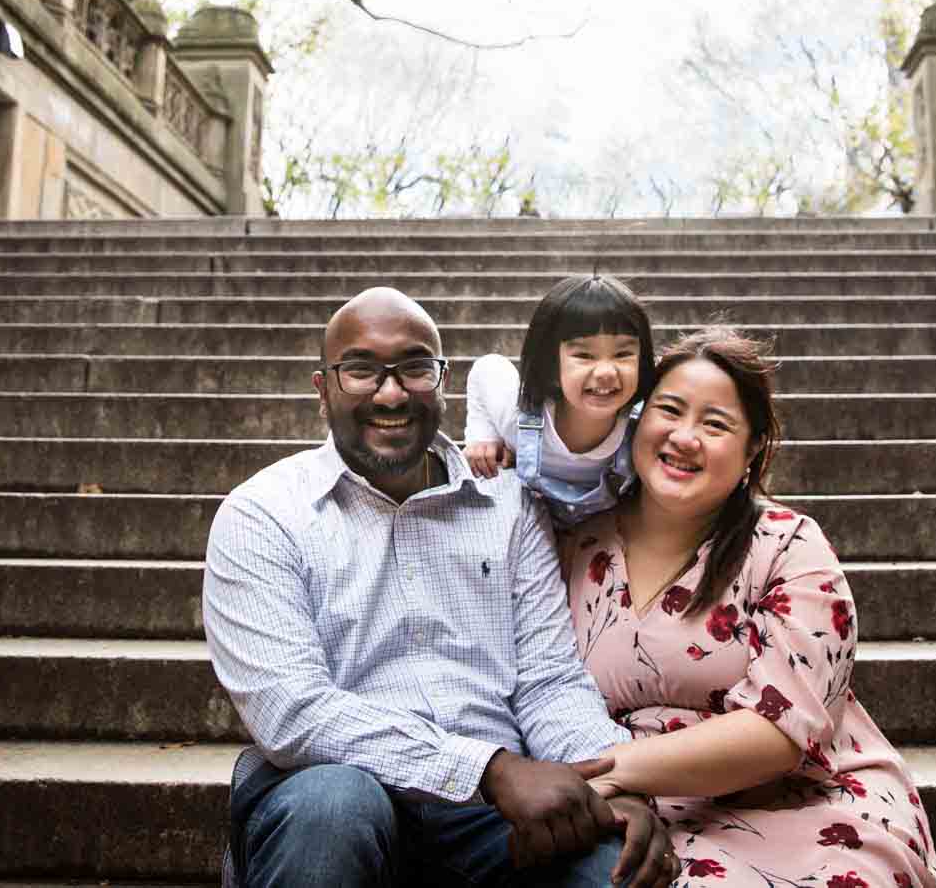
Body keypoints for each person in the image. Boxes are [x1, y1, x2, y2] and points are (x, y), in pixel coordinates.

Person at [202, 286, 680, 888]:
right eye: (360, 370)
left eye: (415, 368)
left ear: (443, 380)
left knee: (610, 869)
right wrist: (488, 768)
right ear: (323, 388)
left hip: (493, 820)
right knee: (336, 805)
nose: (392, 391)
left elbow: (547, 681)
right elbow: (292, 711)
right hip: (330, 794)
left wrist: (612, 785)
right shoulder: (263, 514)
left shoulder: (510, 505)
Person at [561, 329, 936, 888]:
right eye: (669, 410)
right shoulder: (572, 543)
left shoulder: (789, 547)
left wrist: (592, 777)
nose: (684, 437)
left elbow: (777, 734)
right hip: (635, 814)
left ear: (752, 450)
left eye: (715, 424)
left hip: (801, 805)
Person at [462, 275, 655, 526]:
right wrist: (483, 436)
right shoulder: (517, 417)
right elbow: (487, 368)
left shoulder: (645, 428)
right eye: (584, 355)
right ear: (551, 364)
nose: (607, 371)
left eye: (623, 354)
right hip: (529, 540)